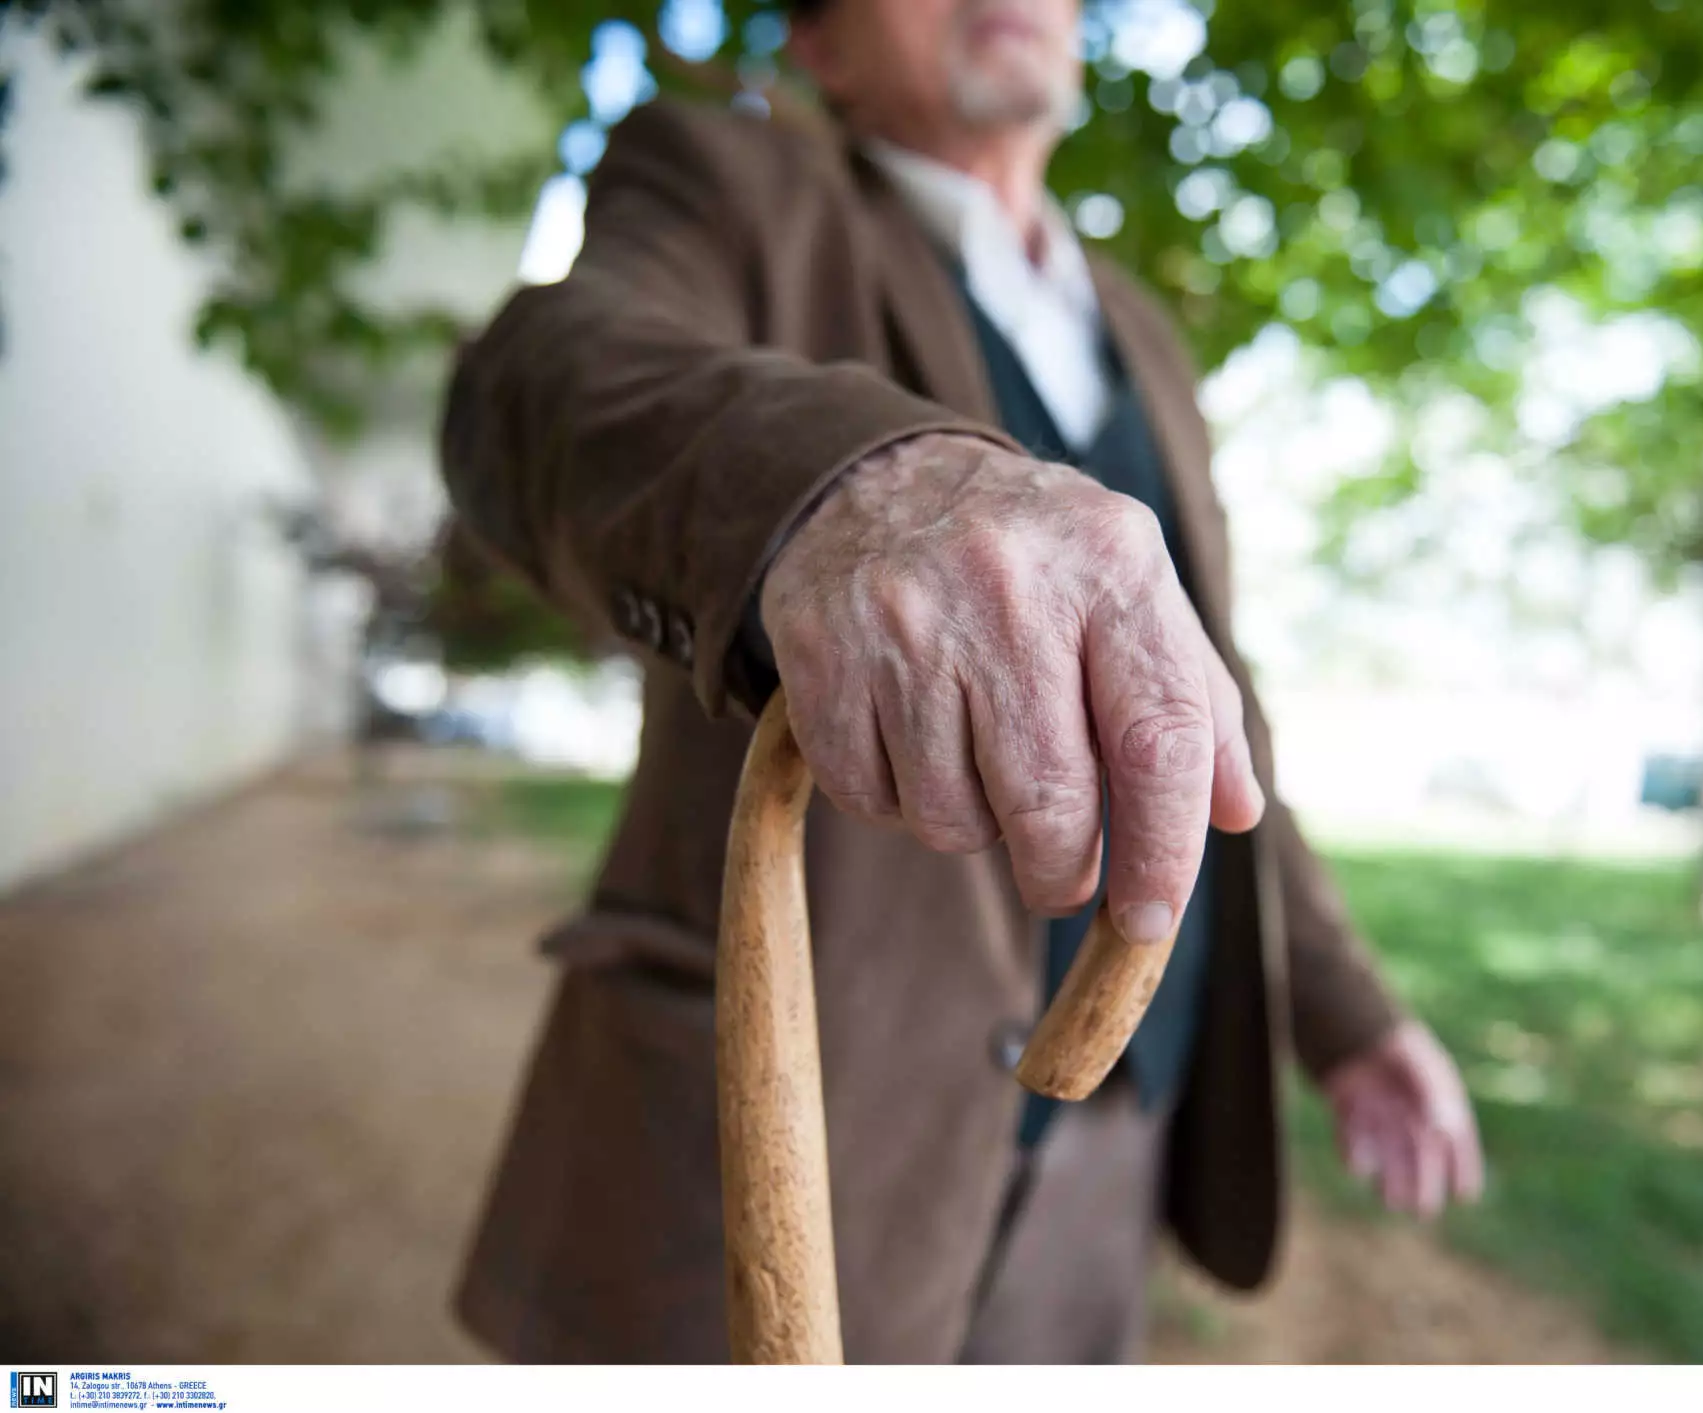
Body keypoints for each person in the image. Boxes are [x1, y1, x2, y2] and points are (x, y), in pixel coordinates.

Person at [439, 0, 1483, 1365]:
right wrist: (849, 483)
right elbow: (536, 383)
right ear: (820, 46)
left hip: (1110, 1149)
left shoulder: (1145, 333)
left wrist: (1350, 1015)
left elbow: (1202, 707)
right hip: (806, 1142)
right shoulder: (731, 183)